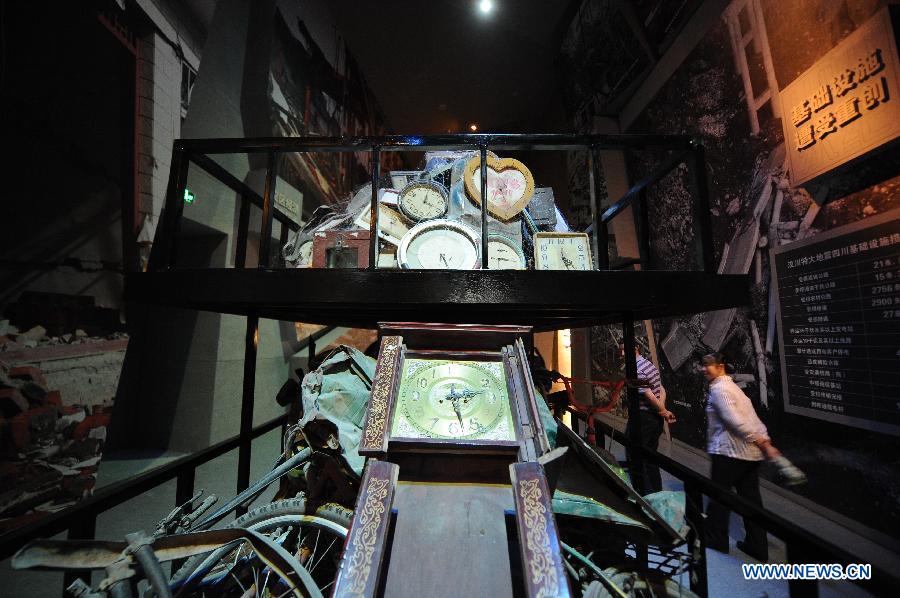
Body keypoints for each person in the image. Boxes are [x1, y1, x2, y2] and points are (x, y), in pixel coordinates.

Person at [701, 352, 806, 562]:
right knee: (751, 501)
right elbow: (753, 419)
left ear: (720, 367)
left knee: (719, 498)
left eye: (708, 366)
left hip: (729, 453)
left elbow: (736, 422)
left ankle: (715, 539)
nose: (703, 369)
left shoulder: (720, 390)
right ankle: (757, 547)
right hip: (749, 455)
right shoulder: (735, 389)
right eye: (702, 366)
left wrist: (762, 443)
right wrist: (764, 441)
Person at [620, 343, 675, 495]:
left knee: (636, 457)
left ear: (635, 349)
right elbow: (661, 389)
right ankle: (656, 493)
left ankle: (644, 496)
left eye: (625, 350)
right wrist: (662, 411)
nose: (623, 354)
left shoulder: (637, 369)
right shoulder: (648, 364)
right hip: (654, 420)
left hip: (643, 419)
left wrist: (663, 411)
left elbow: (649, 395)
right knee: (650, 458)